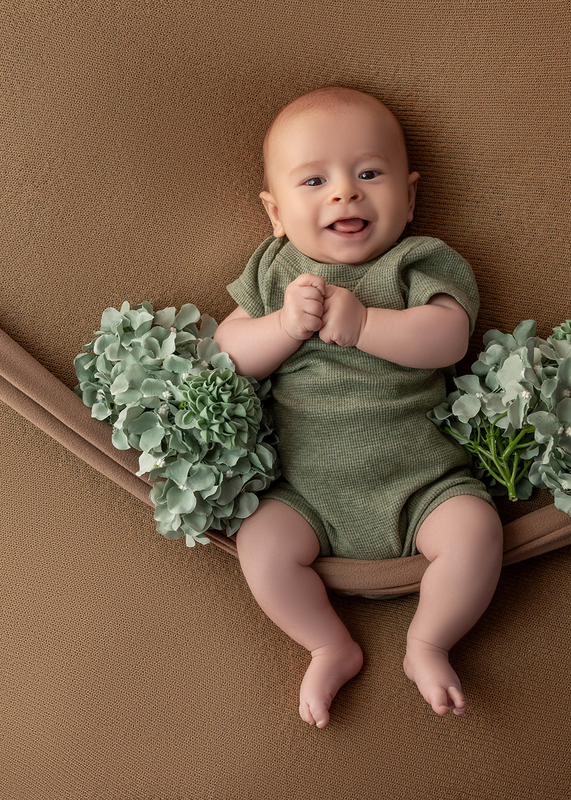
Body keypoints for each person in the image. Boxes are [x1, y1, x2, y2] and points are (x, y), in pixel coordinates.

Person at [213, 86, 504, 729]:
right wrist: (282, 327)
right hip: (306, 495)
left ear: (410, 196)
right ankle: (328, 645)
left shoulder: (417, 262)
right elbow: (228, 352)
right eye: (314, 180)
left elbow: (448, 338)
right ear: (276, 212)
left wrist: (366, 322)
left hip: (425, 484)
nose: (345, 193)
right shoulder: (274, 273)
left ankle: (429, 642)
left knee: (476, 532)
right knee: (260, 543)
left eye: (369, 174)